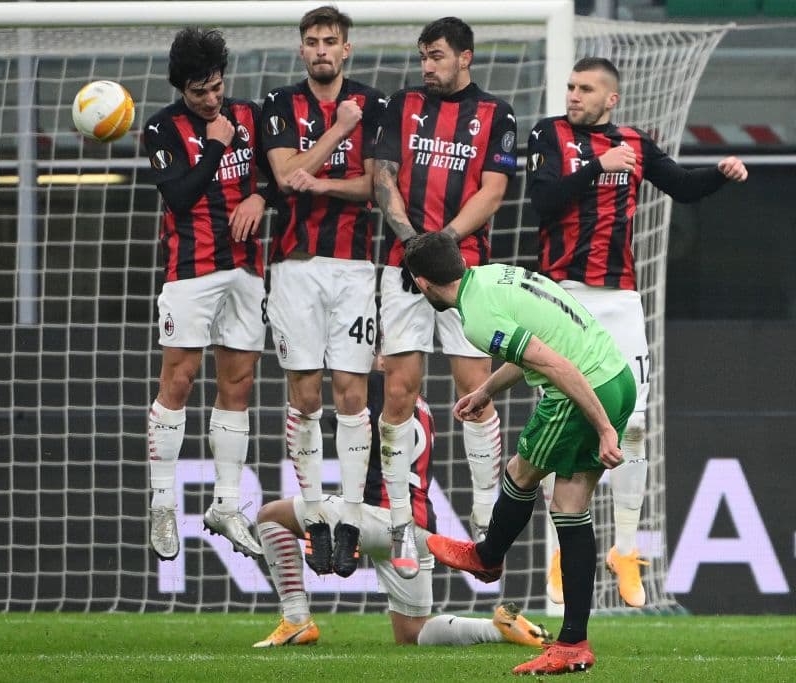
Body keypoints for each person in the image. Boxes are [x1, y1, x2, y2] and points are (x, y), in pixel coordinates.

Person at [526, 57, 748, 607]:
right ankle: (558, 551)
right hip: (562, 296)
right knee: (563, 423)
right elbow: (543, 202)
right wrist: (599, 166)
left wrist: (721, 175)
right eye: (571, 87)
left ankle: (626, 550)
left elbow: (684, 188)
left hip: (621, 299)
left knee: (637, 425)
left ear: (612, 99)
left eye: (586, 89)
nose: (574, 96)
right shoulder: (548, 134)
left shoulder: (635, 142)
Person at [404, 231, 636, 675]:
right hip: (616, 376)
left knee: (519, 473)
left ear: (422, 284)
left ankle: (488, 556)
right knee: (570, 507)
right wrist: (485, 390)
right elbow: (536, 348)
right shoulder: (492, 277)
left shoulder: (474, 318)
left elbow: (553, 364)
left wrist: (605, 429)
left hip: (581, 392)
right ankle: (573, 644)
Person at [253, 364, 551, 650]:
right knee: (413, 632)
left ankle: (296, 619)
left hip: (370, 516)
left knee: (270, 517)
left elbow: (339, 423)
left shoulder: (371, 387)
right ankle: (495, 629)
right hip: (417, 530)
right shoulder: (419, 403)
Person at [373, 16, 517, 578]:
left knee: (475, 391)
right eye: (423, 56)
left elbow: (495, 189)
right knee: (399, 394)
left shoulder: (495, 113)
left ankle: (485, 520)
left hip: (467, 271)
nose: (427, 66)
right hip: (402, 267)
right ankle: (400, 522)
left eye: (436, 56)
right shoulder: (399, 104)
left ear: (465, 58)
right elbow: (382, 176)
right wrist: (413, 244)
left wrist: (444, 244)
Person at [260, 5, 386, 578]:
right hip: (294, 266)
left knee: (353, 396)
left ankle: (353, 520)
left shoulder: (374, 104)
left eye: (330, 41)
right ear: (301, 49)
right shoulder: (279, 104)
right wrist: (339, 132)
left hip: (355, 267)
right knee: (305, 396)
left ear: (347, 48)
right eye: (311, 42)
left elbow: (377, 188)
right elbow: (286, 176)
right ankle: (313, 516)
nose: (321, 50)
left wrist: (324, 182)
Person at [142, 27, 277, 561]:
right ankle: (161, 503)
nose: (213, 98)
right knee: (179, 378)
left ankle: (225, 504)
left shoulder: (249, 114)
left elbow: (278, 173)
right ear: (182, 87)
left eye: (217, 87)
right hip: (190, 270)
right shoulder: (161, 128)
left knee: (238, 384)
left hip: (246, 267)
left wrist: (261, 198)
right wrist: (215, 147)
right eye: (200, 92)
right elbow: (178, 197)